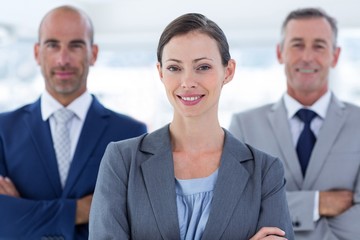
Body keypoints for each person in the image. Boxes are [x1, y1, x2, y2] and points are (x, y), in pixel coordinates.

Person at [89, 13, 294, 240]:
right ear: (160, 72)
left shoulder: (265, 171)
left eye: (203, 67)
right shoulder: (122, 161)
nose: (187, 82)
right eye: (174, 68)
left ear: (228, 71)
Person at [0, 5, 147, 239]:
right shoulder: (3, 130)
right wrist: (81, 210)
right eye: (52, 45)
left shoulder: (131, 133)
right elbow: (3, 222)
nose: (63, 59)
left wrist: (26, 214)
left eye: (76, 45)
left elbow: (133, 224)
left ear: (94, 53)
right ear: (37, 53)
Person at [229, 7, 360, 240]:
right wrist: (317, 204)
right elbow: (236, 210)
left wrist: (273, 208)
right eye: (297, 45)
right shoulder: (244, 126)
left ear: (336, 55)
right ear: (280, 53)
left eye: (319, 46)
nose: (307, 57)